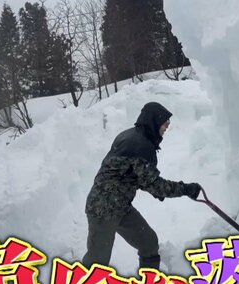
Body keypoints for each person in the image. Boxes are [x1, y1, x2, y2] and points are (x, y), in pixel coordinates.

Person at [82, 102, 202, 271]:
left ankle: (149, 283)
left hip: (121, 206)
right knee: (96, 263)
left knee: (149, 243)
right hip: (103, 208)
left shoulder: (132, 136)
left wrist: (150, 185)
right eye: (165, 123)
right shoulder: (140, 145)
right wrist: (185, 189)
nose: (166, 127)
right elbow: (155, 185)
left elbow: (131, 173)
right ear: (154, 121)